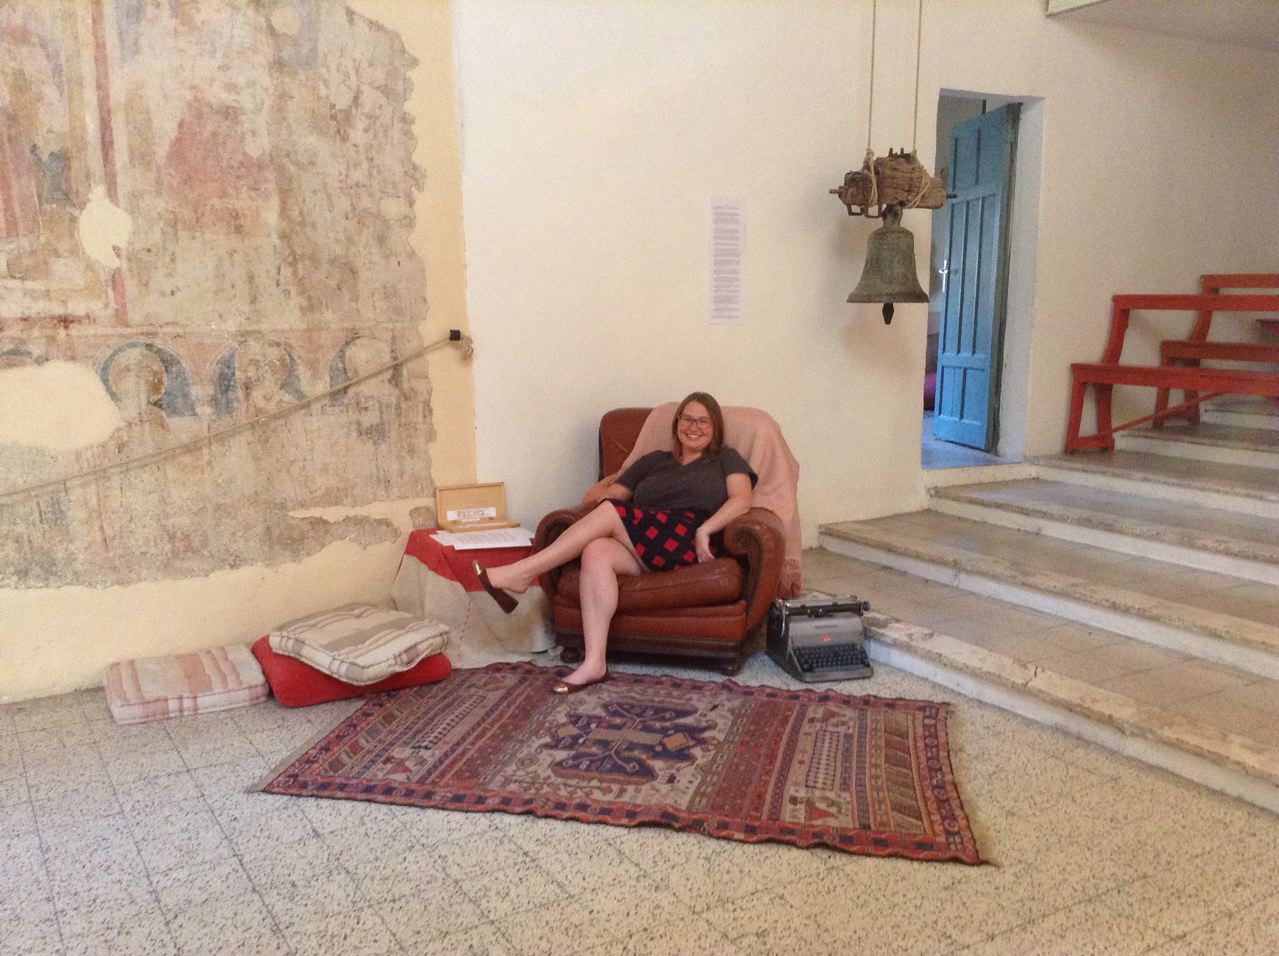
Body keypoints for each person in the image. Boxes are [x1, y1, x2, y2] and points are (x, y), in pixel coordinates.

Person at [474, 392, 756, 694]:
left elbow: (742, 500)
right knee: (596, 551)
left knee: (611, 513)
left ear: (715, 428)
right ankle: (594, 662)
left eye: (703, 421)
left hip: (688, 537)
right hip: (646, 540)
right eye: (687, 419)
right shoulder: (653, 461)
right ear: (676, 423)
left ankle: (522, 572)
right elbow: (612, 497)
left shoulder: (725, 458)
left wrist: (705, 530)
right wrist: (597, 497)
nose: (694, 427)